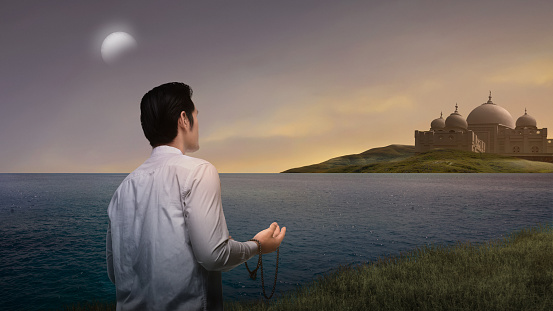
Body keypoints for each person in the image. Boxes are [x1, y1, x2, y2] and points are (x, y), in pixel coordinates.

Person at [106, 82, 286, 310]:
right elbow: (213, 256)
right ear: (183, 119)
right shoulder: (199, 171)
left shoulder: (121, 190)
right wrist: (258, 245)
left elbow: (116, 273)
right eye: (196, 116)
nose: (198, 123)